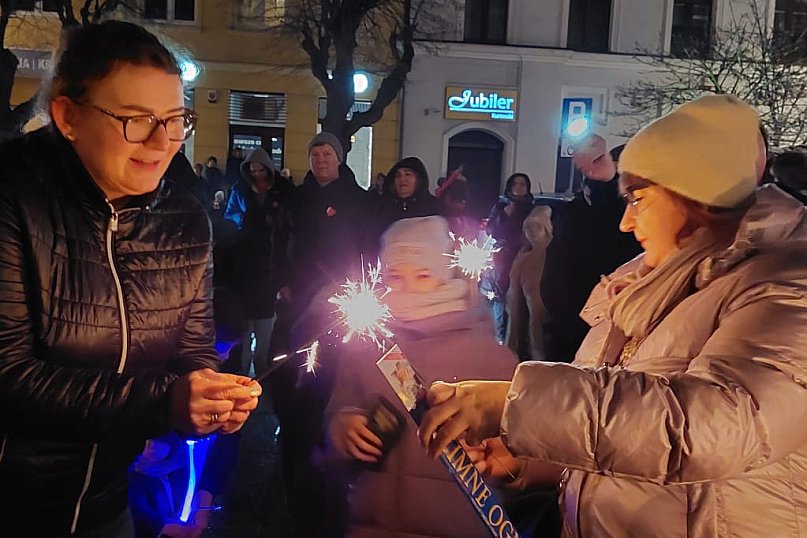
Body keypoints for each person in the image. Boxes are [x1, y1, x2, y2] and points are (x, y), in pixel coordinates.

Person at [418, 95, 807, 537]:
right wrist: (530, 456)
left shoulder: (787, 285)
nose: (625, 222)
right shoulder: (642, 285)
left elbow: (712, 427)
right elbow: (621, 432)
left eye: (638, 199)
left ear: (693, 196)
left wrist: (514, 405)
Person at [0, 21, 261, 536]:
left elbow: (193, 349)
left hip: (108, 506)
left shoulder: (184, 220)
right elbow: (9, 374)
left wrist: (209, 397)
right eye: (137, 120)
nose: (162, 142)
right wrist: (162, 403)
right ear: (68, 116)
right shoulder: (13, 194)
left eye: (175, 120)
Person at [326, 216, 517, 538]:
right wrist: (340, 428)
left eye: (423, 275)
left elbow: (526, 451)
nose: (408, 288)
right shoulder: (366, 348)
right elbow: (337, 410)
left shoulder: (490, 357)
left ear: (445, 276)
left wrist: (503, 459)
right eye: (395, 277)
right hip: (374, 525)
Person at [269, 130, 368, 537]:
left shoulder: (357, 199)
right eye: (316, 154)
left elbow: (366, 247)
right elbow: (279, 242)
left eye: (327, 153)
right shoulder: (296, 198)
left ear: (339, 158)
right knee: (293, 368)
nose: (321, 159)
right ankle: (296, 433)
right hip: (299, 300)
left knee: (333, 372)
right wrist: (282, 281)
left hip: (343, 303)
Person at [540, 136, 642, 362]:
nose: (628, 222)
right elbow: (555, 277)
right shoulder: (576, 213)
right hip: (577, 326)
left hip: (619, 323)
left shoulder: (630, 216)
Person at [224, 147, 291, 377]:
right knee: (244, 322)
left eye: (261, 170)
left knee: (265, 319)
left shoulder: (282, 191)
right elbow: (230, 216)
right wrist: (243, 222)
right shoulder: (241, 189)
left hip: (269, 259)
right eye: (253, 171)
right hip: (246, 262)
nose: (257, 175)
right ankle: (241, 370)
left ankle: (262, 369)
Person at [484, 173, 535, 342]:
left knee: (516, 303)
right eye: (515, 184)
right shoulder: (501, 206)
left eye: (522, 184)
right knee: (499, 301)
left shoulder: (531, 209)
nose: (518, 188)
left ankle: (513, 341)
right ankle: (499, 340)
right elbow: (491, 230)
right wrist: (506, 214)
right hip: (501, 260)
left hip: (521, 259)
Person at [506, 206, 553, 361]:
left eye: (537, 227)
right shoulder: (522, 255)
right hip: (522, 305)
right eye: (528, 228)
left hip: (542, 306)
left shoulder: (550, 254)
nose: (532, 232)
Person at [369, 156, 439, 253]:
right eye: (398, 175)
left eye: (407, 174)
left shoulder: (434, 207)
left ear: (418, 179)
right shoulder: (383, 208)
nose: (402, 179)